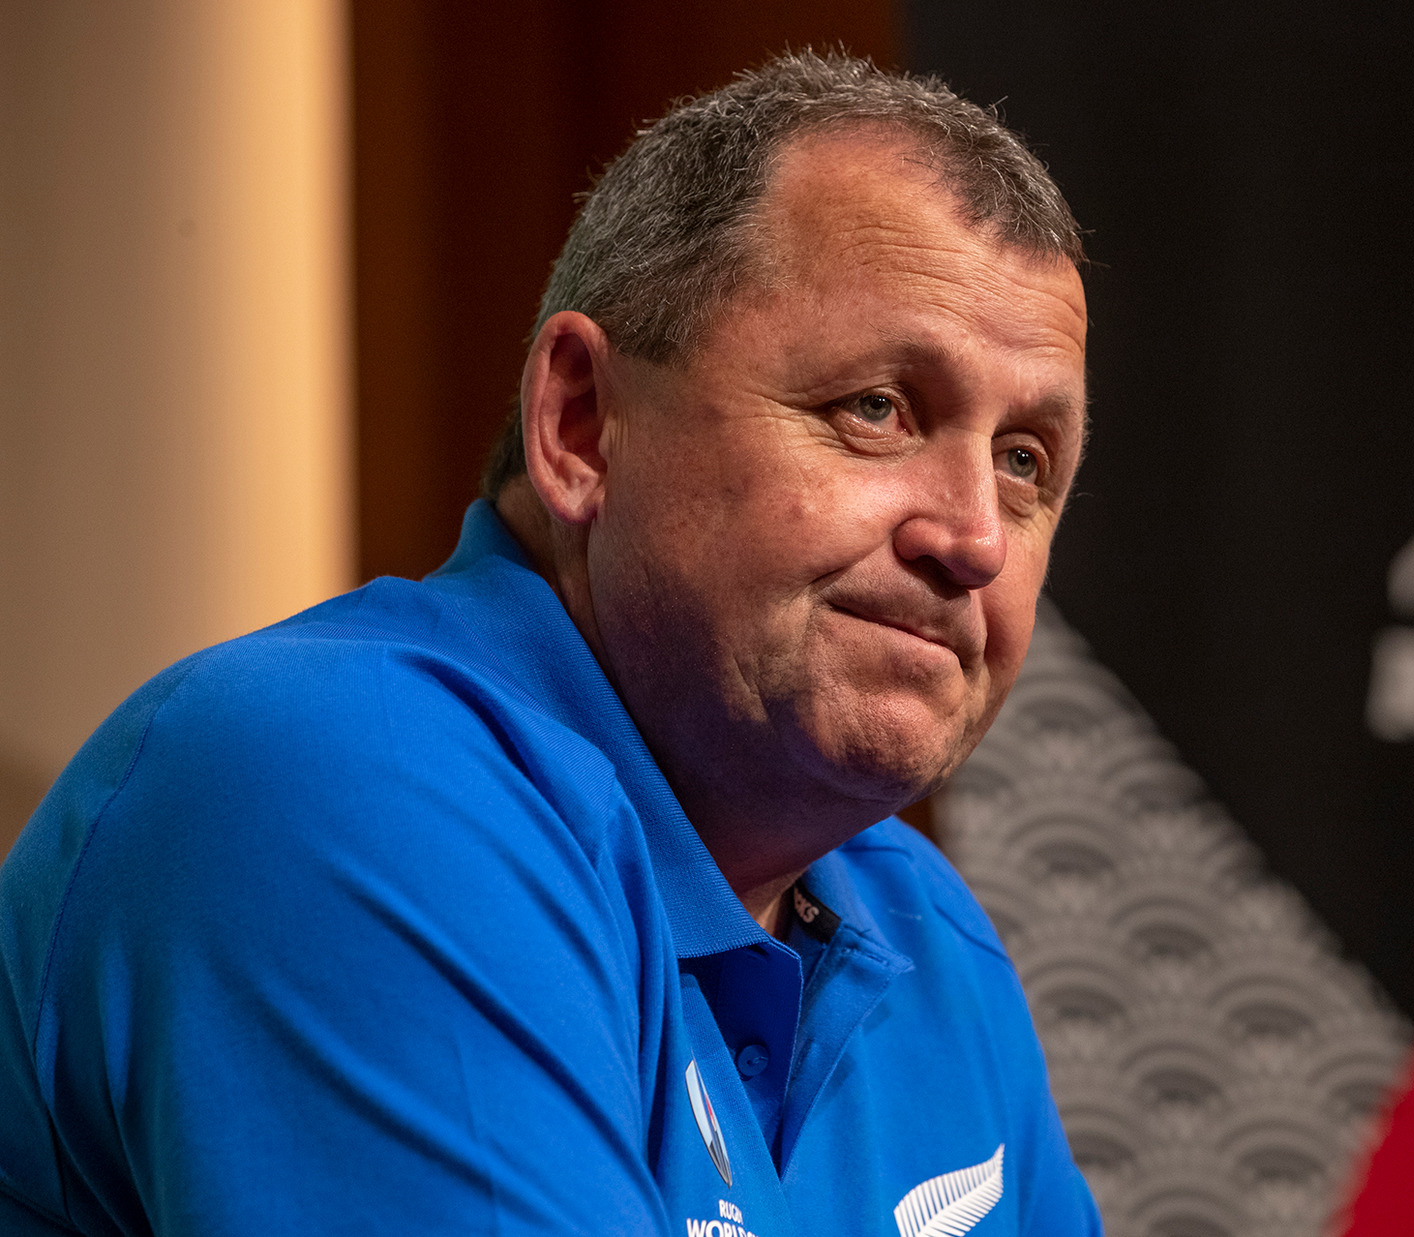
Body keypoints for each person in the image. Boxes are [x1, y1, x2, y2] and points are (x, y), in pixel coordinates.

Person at [0, 53, 1097, 1237]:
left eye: (1024, 460)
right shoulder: (346, 783)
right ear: (580, 425)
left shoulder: (927, 941)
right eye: (876, 408)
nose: (974, 536)